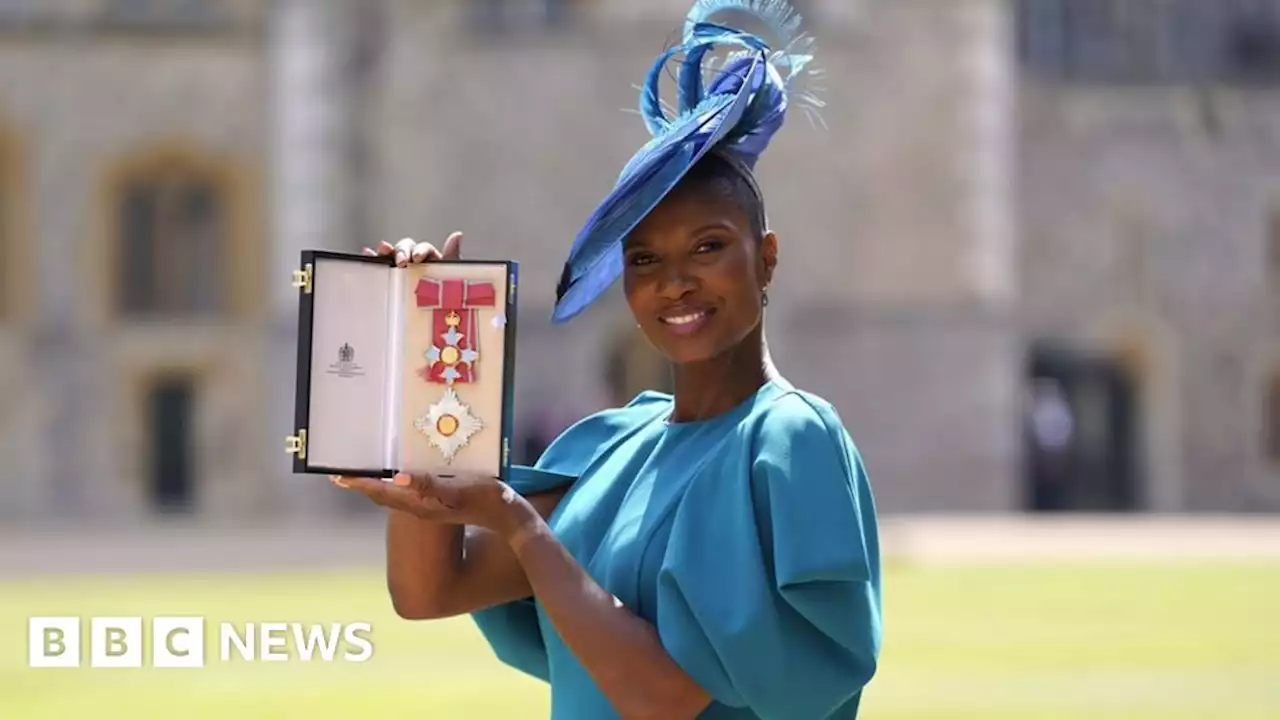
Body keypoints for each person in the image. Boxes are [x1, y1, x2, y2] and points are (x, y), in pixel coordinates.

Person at [331, 2, 882, 717]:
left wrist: (520, 523)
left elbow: (661, 696)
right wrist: (426, 385)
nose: (674, 281)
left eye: (708, 247)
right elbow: (429, 590)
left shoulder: (787, 441)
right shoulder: (611, 448)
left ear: (766, 258)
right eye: (645, 258)